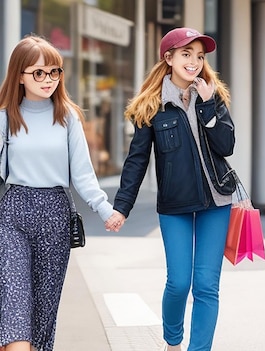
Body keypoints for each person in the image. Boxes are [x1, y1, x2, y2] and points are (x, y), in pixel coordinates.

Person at [110, 27, 234, 351]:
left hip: (215, 201)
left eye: (199, 56)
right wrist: (122, 207)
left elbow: (227, 144)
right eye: (186, 54)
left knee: (206, 286)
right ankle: (173, 341)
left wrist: (207, 108)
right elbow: (136, 161)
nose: (194, 62)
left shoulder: (213, 95)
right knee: (179, 283)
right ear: (169, 58)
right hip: (175, 205)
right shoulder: (151, 107)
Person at [0, 35, 122, 351]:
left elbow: (82, 174)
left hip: (54, 214)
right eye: (38, 72)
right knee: (14, 306)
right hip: (13, 213)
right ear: (20, 76)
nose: (48, 79)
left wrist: (105, 209)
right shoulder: (5, 116)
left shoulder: (66, 116)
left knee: (43, 312)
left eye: (54, 72)